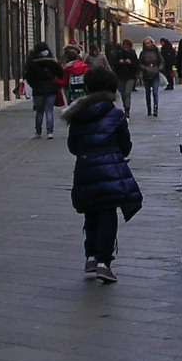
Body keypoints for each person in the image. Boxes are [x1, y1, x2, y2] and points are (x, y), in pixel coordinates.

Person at [64, 66, 143, 284]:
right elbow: (125, 146)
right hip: (110, 170)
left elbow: (73, 146)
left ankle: (91, 255)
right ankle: (104, 262)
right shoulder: (115, 114)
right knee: (108, 214)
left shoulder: (77, 114)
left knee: (91, 213)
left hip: (86, 170)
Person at [23, 42, 66, 138]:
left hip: (38, 90)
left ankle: (38, 131)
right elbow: (60, 74)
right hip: (51, 89)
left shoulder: (33, 63)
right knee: (49, 111)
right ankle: (50, 132)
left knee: (39, 111)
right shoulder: (53, 63)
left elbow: (29, 77)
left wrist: (34, 85)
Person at [113, 39, 141, 113]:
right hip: (121, 76)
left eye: (127, 46)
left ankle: (127, 109)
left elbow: (136, 65)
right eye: (124, 46)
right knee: (122, 93)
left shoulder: (133, 54)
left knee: (127, 93)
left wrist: (130, 63)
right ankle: (125, 106)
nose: (126, 47)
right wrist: (119, 62)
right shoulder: (119, 54)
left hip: (130, 76)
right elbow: (114, 64)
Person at [138, 38, 164, 116]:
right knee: (147, 92)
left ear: (152, 43)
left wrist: (159, 68)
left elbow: (162, 61)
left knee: (155, 92)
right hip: (146, 75)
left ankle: (155, 108)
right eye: (146, 43)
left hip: (155, 74)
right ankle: (149, 108)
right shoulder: (143, 53)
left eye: (149, 43)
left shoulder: (156, 52)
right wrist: (145, 68)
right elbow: (140, 63)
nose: (148, 45)